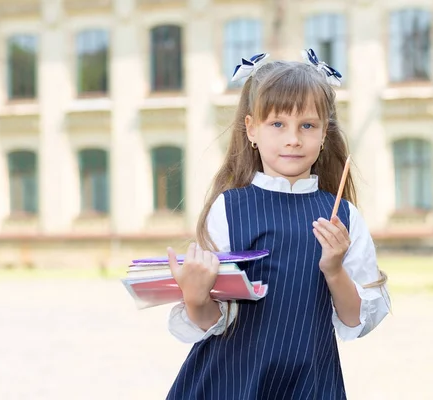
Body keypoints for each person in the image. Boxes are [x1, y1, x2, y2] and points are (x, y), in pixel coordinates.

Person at [165, 49, 391, 400]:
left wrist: (334, 269)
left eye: (307, 125)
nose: (293, 139)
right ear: (252, 128)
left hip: (310, 384)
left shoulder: (343, 217)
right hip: (229, 383)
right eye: (277, 124)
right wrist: (195, 298)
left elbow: (354, 320)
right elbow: (212, 320)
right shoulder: (229, 208)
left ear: (324, 133)